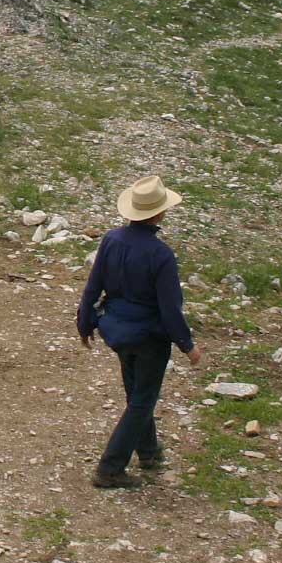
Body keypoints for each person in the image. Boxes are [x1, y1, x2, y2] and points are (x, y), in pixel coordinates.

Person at [76, 175, 203, 489]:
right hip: (149, 338)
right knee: (143, 400)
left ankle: (149, 452)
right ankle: (110, 468)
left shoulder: (111, 240)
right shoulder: (161, 256)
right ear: (159, 214)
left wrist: (85, 322)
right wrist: (188, 345)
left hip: (117, 332)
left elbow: (94, 286)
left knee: (136, 394)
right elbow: (170, 310)